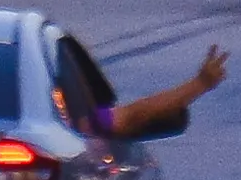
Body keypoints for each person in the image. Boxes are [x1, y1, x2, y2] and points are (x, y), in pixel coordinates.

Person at [77, 43, 228, 142]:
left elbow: (133, 116)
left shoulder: (87, 123)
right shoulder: (89, 122)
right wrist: (199, 84)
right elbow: (132, 116)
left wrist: (199, 84)